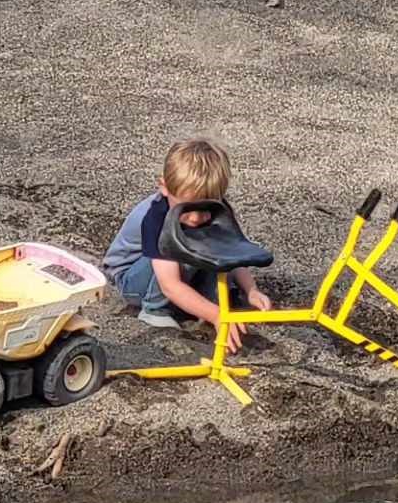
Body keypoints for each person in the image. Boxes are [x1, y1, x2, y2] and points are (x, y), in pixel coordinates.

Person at [103, 138, 272, 353]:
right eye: (187, 208)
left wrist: (251, 289)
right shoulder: (156, 215)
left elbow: (230, 251)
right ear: (164, 187)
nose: (195, 218)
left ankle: (204, 301)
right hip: (132, 279)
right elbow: (169, 284)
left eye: (205, 209)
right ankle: (155, 310)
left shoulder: (218, 209)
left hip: (175, 268)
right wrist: (216, 315)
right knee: (187, 244)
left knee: (209, 246)